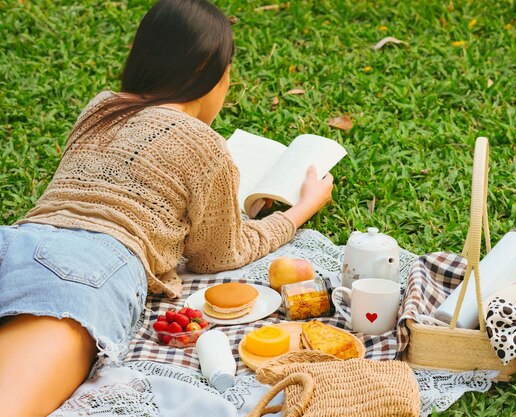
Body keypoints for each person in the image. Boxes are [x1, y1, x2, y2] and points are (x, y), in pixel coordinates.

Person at [0, 1, 333, 415]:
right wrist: (301, 207)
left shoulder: (102, 106)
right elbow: (218, 255)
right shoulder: (203, 143)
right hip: (87, 268)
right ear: (207, 72)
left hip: (17, 240)